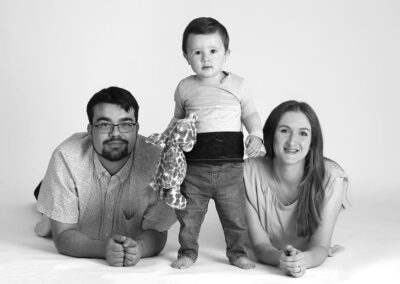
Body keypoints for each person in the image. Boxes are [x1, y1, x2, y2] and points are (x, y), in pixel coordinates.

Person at [35, 86, 177, 267]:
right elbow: (63, 235)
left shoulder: (159, 163)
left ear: (137, 128)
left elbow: (157, 231)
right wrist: (102, 249)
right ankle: (45, 191)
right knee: (46, 215)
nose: (116, 134)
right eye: (104, 125)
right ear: (90, 129)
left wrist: (139, 248)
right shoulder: (66, 157)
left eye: (126, 124)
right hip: (71, 201)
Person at [166, 17, 263, 270]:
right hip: (194, 168)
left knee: (235, 217)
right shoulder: (185, 87)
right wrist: (167, 138)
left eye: (213, 51)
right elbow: (178, 118)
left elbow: (250, 114)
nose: (205, 58)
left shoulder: (238, 85)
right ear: (186, 56)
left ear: (226, 53)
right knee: (189, 217)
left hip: (230, 168)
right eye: (197, 52)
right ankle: (187, 252)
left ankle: (237, 253)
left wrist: (256, 134)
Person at [244, 100, 348, 277]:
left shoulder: (332, 179)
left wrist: (303, 260)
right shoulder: (246, 173)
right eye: (284, 131)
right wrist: (282, 259)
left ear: (312, 141)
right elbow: (261, 246)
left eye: (303, 133)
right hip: (264, 253)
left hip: (307, 254)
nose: (292, 141)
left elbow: (320, 246)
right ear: (270, 135)